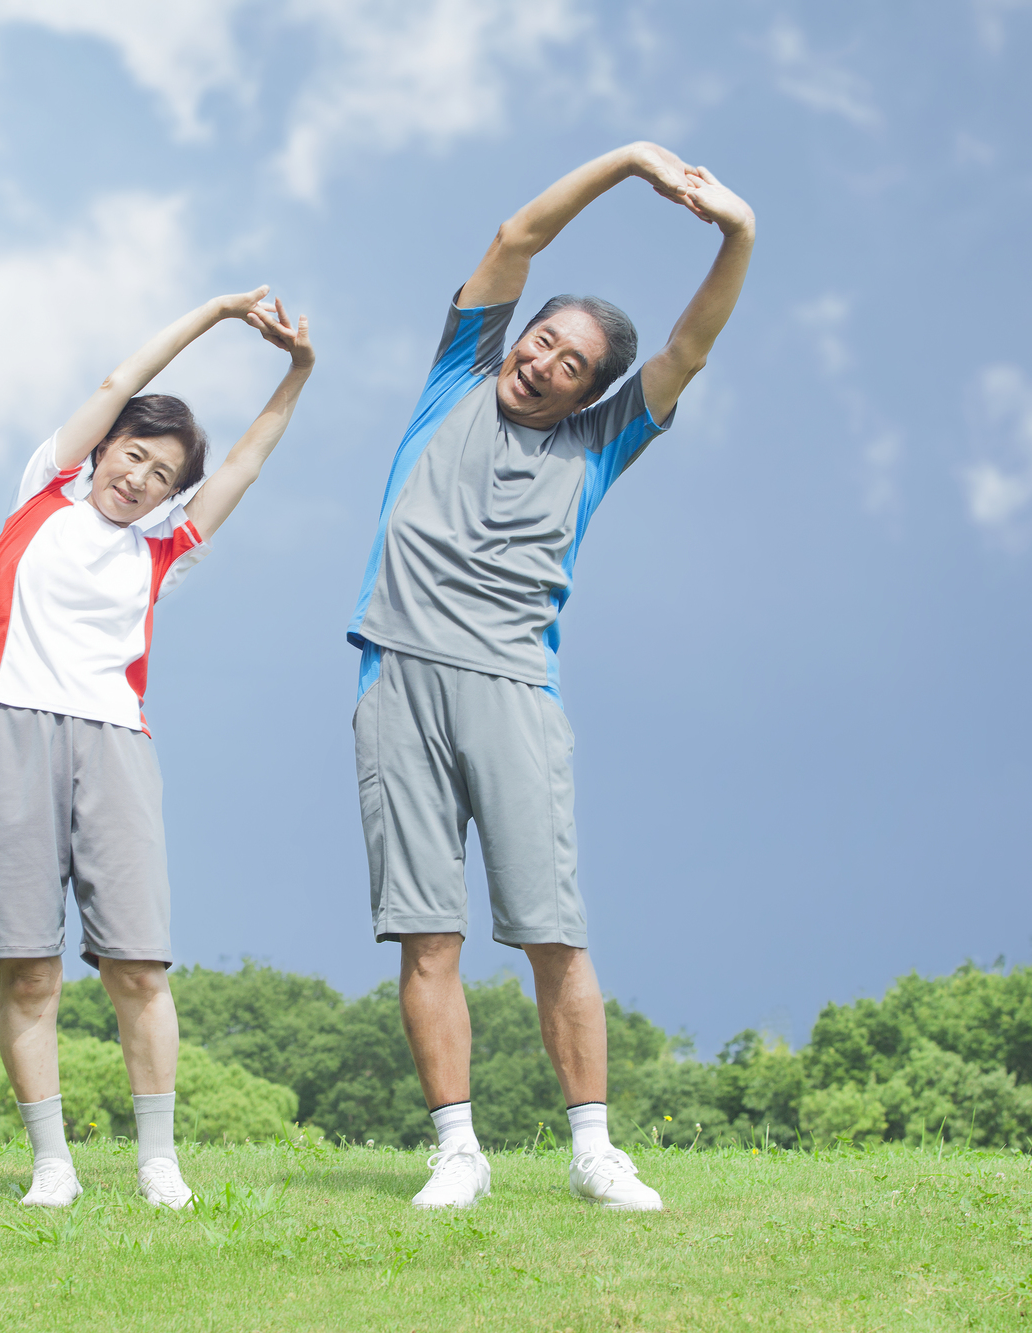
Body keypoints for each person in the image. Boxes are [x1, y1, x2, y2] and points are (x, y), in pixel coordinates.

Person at [346, 143, 755, 1210]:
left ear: (591, 388)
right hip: (398, 678)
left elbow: (688, 347)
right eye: (541, 341)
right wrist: (626, 163)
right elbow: (515, 237)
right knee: (425, 931)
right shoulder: (457, 378)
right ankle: (456, 1151)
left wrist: (736, 233)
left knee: (551, 931)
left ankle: (592, 1149)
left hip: (514, 692)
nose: (540, 363)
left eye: (569, 362)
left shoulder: (601, 443)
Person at [0, 287, 315, 1208]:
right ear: (106, 447)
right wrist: (219, 312)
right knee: (28, 965)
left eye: (164, 476)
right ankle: (52, 1164)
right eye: (135, 456)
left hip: (116, 743)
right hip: (12, 729)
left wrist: (297, 370)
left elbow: (242, 464)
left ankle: (159, 1159)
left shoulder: (162, 550)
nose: (142, 481)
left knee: (138, 964)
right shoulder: (42, 492)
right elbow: (126, 375)